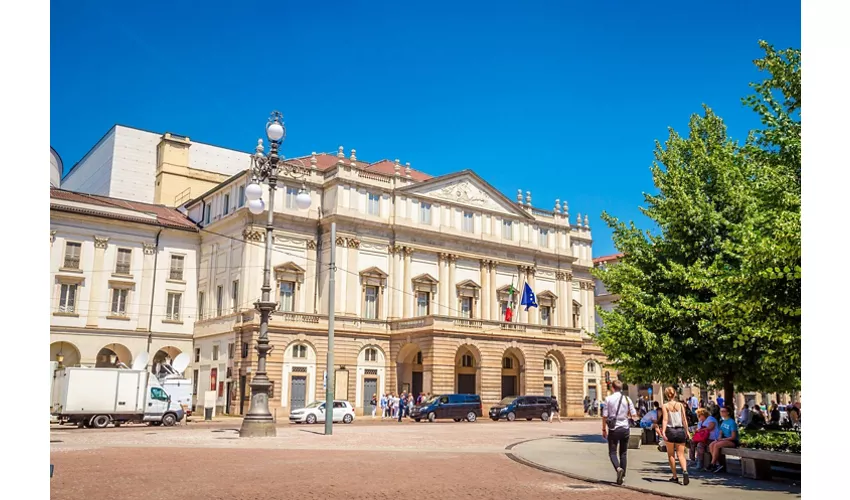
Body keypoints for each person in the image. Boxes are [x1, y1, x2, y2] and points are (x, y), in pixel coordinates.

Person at [601, 380, 637, 485]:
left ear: (612, 388)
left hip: (614, 429)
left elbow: (605, 415)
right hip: (625, 428)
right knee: (623, 453)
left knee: (612, 452)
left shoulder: (608, 399)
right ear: (621, 388)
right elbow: (634, 415)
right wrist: (627, 415)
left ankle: (618, 469)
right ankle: (623, 476)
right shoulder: (627, 399)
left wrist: (604, 429)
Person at [661, 387, 690, 485]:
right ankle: (685, 471)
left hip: (670, 430)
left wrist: (663, 431)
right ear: (675, 394)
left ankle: (675, 476)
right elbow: (684, 419)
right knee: (681, 454)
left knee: (671, 454)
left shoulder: (665, 406)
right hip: (680, 430)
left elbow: (665, 419)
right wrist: (687, 431)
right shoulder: (680, 405)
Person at [707, 406, 739, 473]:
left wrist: (723, 440)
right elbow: (720, 433)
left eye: (723, 411)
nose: (721, 413)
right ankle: (717, 464)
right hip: (724, 440)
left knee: (717, 445)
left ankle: (712, 464)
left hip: (732, 441)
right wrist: (719, 438)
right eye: (721, 411)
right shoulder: (723, 422)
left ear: (728, 412)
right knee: (711, 444)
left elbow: (733, 437)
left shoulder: (732, 422)